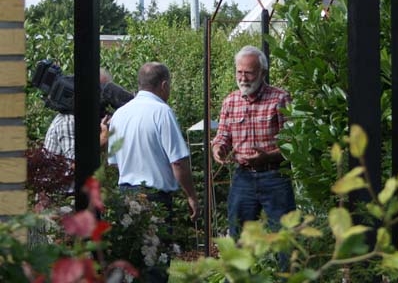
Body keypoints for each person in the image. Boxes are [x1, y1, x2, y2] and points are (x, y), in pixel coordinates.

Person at [107, 62, 199, 282]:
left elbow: (114, 162)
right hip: (154, 198)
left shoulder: (119, 114)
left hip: (125, 196)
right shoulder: (162, 112)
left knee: (130, 263)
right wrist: (191, 196)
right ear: (164, 85)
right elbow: (178, 162)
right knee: (155, 263)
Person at [212, 45, 296, 244]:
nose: (243, 78)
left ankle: (288, 275)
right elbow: (222, 136)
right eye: (239, 72)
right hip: (243, 177)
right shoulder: (230, 102)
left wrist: (269, 156)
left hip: (275, 175)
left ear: (262, 72)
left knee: (285, 238)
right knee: (237, 238)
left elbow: (293, 143)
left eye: (248, 73)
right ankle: (238, 276)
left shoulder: (280, 99)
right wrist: (219, 149)